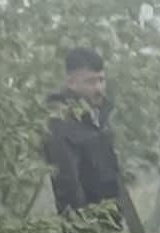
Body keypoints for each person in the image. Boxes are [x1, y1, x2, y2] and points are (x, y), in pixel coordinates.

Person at [44, 48, 122, 216]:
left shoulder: (99, 116)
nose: (98, 88)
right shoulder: (60, 123)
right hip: (86, 227)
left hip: (110, 218)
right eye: (90, 82)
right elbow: (67, 185)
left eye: (101, 80)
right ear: (71, 83)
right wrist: (85, 231)